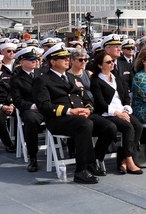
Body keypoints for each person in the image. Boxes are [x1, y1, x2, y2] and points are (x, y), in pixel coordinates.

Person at [32, 43, 114, 184]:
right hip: (60, 119)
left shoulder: (72, 78)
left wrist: (88, 109)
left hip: (81, 116)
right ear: (53, 62)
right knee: (85, 124)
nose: (67, 60)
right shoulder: (43, 80)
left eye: (67, 57)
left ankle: (94, 161)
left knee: (110, 127)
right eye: (62, 58)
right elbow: (44, 106)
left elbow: (87, 99)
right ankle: (81, 171)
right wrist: (71, 111)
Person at [89, 49, 144, 174]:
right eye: (108, 62)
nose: (112, 64)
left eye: (112, 61)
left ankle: (124, 159)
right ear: (100, 65)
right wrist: (118, 114)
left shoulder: (117, 78)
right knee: (128, 127)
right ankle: (130, 161)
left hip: (122, 111)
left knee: (138, 126)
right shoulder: (96, 82)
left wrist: (125, 110)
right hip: (107, 114)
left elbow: (125, 96)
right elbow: (101, 103)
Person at [10, 47, 45, 172]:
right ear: (22, 62)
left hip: (46, 107)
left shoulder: (43, 73)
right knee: (31, 120)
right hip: (31, 109)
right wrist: (32, 106)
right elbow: (17, 100)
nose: (35, 62)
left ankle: (72, 150)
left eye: (36, 59)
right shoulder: (16, 78)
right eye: (31, 60)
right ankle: (33, 156)